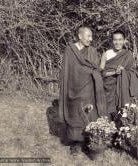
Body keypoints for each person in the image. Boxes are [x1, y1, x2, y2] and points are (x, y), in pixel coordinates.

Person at [58, 26, 106, 155]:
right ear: (80, 36)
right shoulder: (70, 50)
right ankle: (76, 143)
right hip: (73, 87)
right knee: (75, 115)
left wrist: (97, 71)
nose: (91, 39)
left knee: (88, 114)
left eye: (91, 36)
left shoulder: (92, 51)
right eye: (88, 36)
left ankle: (89, 140)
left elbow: (95, 68)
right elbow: (67, 70)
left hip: (88, 88)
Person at [100, 30, 138, 120]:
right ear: (112, 41)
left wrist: (124, 72)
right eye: (115, 40)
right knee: (108, 115)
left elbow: (134, 73)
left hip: (123, 89)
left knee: (122, 115)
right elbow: (100, 72)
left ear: (124, 41)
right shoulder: (106, 54)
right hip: (108, 90)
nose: (117, 42)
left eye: (120, 40)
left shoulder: (127, 55)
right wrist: (114, 72)